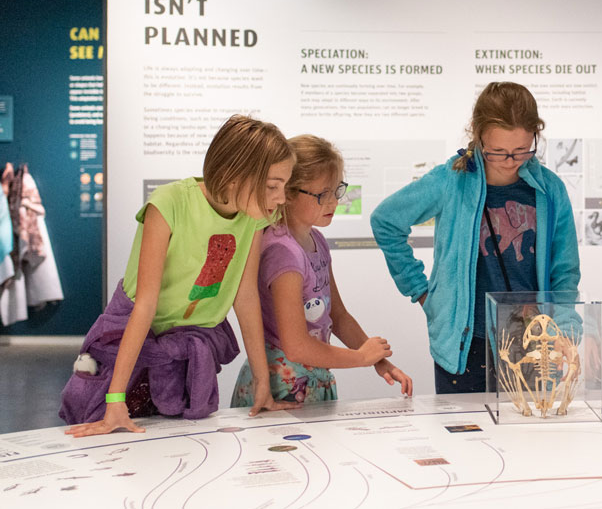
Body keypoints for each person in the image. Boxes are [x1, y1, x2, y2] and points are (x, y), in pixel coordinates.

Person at [61, 115, 300, 437]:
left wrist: (262, 384)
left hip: (188, 341)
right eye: (273, 186)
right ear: (233, 175)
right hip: (134, 332)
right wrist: (115, 399)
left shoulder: (253, 218)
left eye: (283, 186)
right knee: (100, 420)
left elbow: (245, 297)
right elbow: (145, 303)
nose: (281, 198)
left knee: (175, 431)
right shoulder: (169, 202)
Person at [371, 82, 580, 394]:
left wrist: (566, 328)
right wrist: (422, 292)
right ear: (479, 136)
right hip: (465, 345)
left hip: (532, 341)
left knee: (532, 439)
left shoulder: (550, 190)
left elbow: (564, 271)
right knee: (463, 437)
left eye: (522, 149)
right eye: (498, 151)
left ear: (536, 135)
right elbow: (385, 221)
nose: (511, 161)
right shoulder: (450, 180)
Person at [231, 135, 413, 406]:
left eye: (336, 191)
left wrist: (378, 360)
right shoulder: (282, 252)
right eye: (321, 194)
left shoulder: (316, 241)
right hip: (283, 386)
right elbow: (297, 345)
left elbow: (337, 316)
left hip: (310, 378)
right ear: (288, 192)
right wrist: (361, 357)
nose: (333, 202)